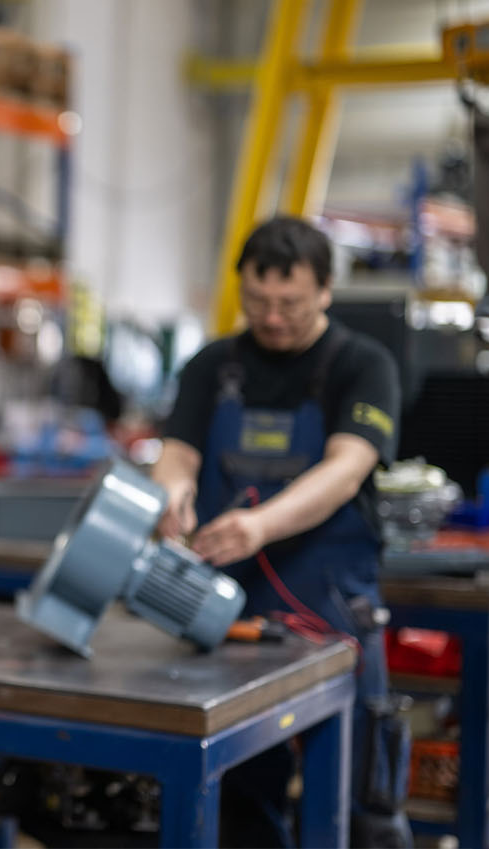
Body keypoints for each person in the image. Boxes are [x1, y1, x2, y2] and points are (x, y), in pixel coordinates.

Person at [150, 216, 410, 848]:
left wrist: (261, 525)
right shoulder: (213, 366)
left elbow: (347, 469)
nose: (271, 318)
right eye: (256, 300)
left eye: (289, 303)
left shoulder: (363, 365)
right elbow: (177, 455)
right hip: (228, 612)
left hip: (331, 607)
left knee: (361, 794)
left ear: (325, 290)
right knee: (241, 797)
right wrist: (170, 498)